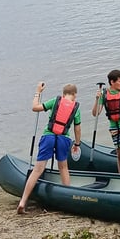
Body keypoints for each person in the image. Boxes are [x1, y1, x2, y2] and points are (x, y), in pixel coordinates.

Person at [18, 82, 82, 214]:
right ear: (74, 95)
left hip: (48, 136)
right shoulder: (76, 107)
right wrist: (77, 144)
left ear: (64, 94)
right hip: (64, 138)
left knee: (37, 170)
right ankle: (69, 200)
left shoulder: (55, 101)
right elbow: (77, 128)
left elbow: (35, 107)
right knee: (63, 168)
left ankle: (23, 202)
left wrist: (38, 92)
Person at [91, 69, 120, 175]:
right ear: (112, 82)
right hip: (114, 126)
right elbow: (96, 113)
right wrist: (97, 99)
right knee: (119, 153)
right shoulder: (104, 94)